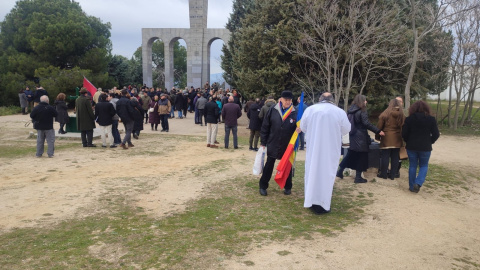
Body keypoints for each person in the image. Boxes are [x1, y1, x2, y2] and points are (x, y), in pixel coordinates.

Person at [300, 92, 351, 214]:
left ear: (320, 99)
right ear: (332, 100)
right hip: (330, 148)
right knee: (326, 175)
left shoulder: (311, 110)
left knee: (313, 172)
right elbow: (346, 129)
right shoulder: (339, 112)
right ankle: (323, 203)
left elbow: (303, 127)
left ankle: (311, 201)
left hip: (314, 148)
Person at [336, 94, 384, 183]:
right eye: (365, 100)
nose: (366, 102)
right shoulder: (362, 111)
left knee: (351, 154)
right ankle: (358, 177)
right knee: (362, 156)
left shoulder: (351, 110)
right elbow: (366, 123)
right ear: (362, 101)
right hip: (361, 136)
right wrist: (378, 131)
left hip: (353, 135)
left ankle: (340, 171)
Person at [259, 91, 297, 196]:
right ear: (281, 99)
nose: (288, 102)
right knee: (269, 166)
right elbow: (265, 127)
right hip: (273, 142)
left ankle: (288, 186)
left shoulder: (295, 112)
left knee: (287, 166)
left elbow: (299, 128)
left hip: (287, 145)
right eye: (286, 100)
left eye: (290, 100)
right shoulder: (273, 110)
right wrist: (263, 141)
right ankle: (263, 186)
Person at [402, 100, 440, 193]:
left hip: (411, 146)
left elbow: (404, 133)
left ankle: (412, 187)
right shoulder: (431, 119)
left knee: (412, 166)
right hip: (425, 147)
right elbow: (436, 134)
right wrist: (430, 141)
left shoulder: (409, 119)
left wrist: (408, 141)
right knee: (423, 165)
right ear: (426, 108)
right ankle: (418, 183)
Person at [376, 99, 405, 180]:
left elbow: (379, 126)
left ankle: (383, 174)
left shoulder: (385, 113)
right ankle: (392, 175)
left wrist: (377, 136)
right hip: (397, 138)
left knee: (385, 156)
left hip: (386, 137)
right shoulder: (401, 114)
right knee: (395, 157)